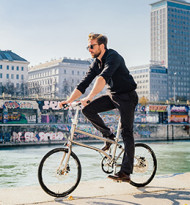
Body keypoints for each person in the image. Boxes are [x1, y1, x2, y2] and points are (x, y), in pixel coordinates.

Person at [60, 33, 138, 182]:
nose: (89, 49)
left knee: (126, 132)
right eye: (87, 46)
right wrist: (68, 100)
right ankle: (108, 136)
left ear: (102, 46)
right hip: (113, 95)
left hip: (127, 96)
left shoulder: (113, 57)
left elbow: (102, 78)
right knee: (87, 109)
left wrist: (90, 97)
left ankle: (125, 172)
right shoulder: (96, 63)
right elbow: (84, 83)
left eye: (91, 46)